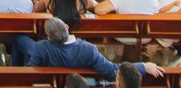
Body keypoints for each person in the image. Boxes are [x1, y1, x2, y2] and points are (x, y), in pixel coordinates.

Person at [13, 17, 164, 79]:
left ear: (48, 36)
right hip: (78, 82)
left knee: (20, 39)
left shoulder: (41, 47)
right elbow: (112, 71)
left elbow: (30, 72)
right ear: (67, 27)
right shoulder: (88, 49)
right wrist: (143, 66)